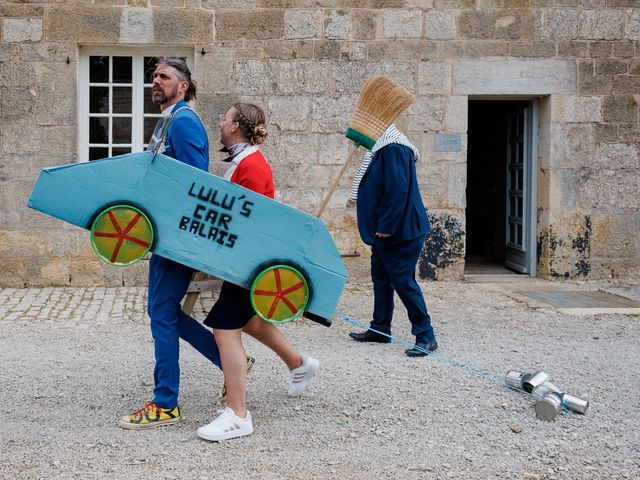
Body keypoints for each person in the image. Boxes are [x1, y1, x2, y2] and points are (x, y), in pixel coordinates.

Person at [196, 102, 319, 442]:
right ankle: (298, 364)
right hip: (244, 260)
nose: (220, 122)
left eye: (224, 117)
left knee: (224, 328)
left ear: (236, 126)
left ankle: (238, 414)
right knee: (249, 321)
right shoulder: (245, 159)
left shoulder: (250, 164)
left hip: (247, 261)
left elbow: (246, 221)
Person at [119, 58, 230, 429]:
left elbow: (196, 184)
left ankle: (166, 402)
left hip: (177, 238)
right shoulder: (169, 120)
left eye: (164, 77)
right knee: (162, 312)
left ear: (183, 86)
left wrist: (179, 238)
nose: (156, 81)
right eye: (154, 77)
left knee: (162, 316)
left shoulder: (184, 121)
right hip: (163, 235)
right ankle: (229, 360)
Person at [348, 124, 438, 357]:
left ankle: (426, 335)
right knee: (381, 278)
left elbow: (397, 189)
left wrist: (387, 226)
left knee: (402, 281)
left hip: (400, 230)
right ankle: (380, 329)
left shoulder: (394, 148)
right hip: (386, 230)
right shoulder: (383, 148)